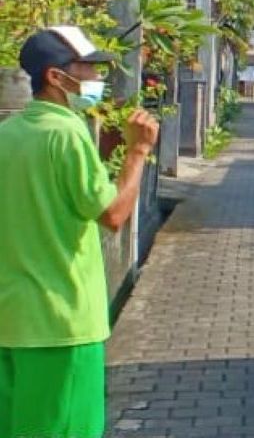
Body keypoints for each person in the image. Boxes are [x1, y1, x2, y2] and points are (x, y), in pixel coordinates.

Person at [0, 26, 159, 438]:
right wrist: (138, 152)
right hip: (63, 323)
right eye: (87, 69)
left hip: (11, 322)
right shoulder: (67, 133)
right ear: (56, 76)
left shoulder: (7, 134)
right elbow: (113, 213)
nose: (95, 79)